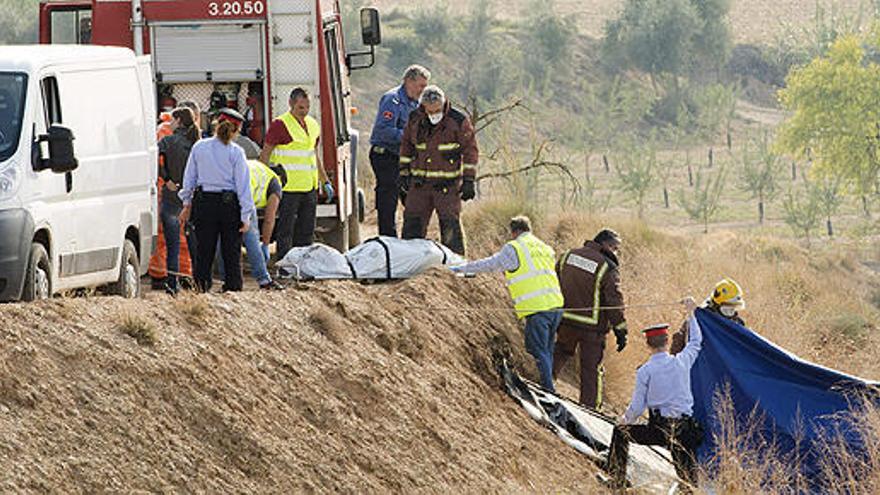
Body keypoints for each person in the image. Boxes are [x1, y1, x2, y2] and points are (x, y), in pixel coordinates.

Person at [451, 216, 564, 392]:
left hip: (537, 307)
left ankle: (548, 391)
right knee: (547, 350)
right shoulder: (544, 248)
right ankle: (549, 386)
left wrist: (461, 268)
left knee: (538, 350)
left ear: (513, 232)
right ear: (529, 229)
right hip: (556, 305)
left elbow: (491, 264)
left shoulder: (515, 248)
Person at [606, 298, 705, 492]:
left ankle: (617, 482)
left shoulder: (645, 371)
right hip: (684, 430)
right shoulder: (682, 362)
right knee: (690, 484)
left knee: (620, 433)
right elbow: (696, 341)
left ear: (647, 344)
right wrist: (691, 313)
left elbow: (637, 407)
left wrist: (623, 420)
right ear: (667, 342)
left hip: (659, 430)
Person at [178, 108, 254, 292]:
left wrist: (186, 203)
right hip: (229, 205)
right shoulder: (236, 152)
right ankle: (233, 289)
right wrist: (246, 215)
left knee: (204, 250)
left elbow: (189, 179)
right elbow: (243, 186)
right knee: (231, 252)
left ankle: (202, 289)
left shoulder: (199, 147)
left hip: (204, 203)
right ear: (236, 131)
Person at [552, 229, 628, 411]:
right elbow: (614, 301)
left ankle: (543, 384)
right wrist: (621, 329)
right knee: (591, 370)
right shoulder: (607, 266)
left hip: (565, 320)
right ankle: (590, 410)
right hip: (592, 328)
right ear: (607, 245)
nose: (616, 252)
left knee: (559, 353)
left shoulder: (567, 256)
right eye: (615, 248)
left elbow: (554, 281)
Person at [399, 85, 479, 255]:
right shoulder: (415, 119)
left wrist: (469, 180)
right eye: (430, 111)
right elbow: (406, 146)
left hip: (447, 187)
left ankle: (455, 266)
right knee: (412, 225)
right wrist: (404, 173)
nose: (433, 114)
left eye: (437, 110)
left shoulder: (457, 121)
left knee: (450, 226)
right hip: (420, 185)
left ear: (443, 105)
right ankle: (409, 263)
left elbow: (470, 151)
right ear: (423, 107)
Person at [260, 88, 334, 259]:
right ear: (291, 105)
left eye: (307, 107)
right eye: (301, 108)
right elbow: (265, 155)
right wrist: (265, 184)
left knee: (307, 231)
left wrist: (325, 181)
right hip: (288, 189)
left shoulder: (313, 125)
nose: (305, 111)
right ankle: (285, 265)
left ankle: (304, 265)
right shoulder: (280, 125)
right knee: (286, 231)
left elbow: (314, 156)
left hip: (309, 188)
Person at [369, 64, 430, 237]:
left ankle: (412, 239)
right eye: (420, 86)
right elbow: (383, 130)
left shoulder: (417, 104)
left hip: (405, 159)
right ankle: (388, 241)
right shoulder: (392, 99)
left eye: (425, 86)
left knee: (414, 200)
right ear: (408, 81)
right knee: (388, 200)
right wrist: (410, 136)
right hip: (386, 156)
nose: (422, 90)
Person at [216, 159, 284, 290]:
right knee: (251, 237)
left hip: (221, 191)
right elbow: (269, 219)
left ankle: (227, 279)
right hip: (242, 196)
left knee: (223, 237)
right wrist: (265, 244)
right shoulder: (276, 184)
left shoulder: (258, 168)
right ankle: (264, 279)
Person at [156, 107, 200, 295]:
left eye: (173, 120)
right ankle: (199, 282)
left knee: (172, 244)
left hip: (172, 197)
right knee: (196, 244)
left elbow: (154, 161)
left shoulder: (167, 141)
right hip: (193, 199)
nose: (170, 124)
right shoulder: (198, 143)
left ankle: (172, 284)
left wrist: (167, 180)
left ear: (179, 121)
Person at [670, 278, 745, 355]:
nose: (731, 313)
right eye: (727, 310)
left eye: (733, 309)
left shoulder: (738, 325)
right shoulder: (697, 322)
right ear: (716, 305)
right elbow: (677, 351)